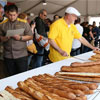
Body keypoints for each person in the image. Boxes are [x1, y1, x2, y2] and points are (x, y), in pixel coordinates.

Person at [0, 4, 33, 76]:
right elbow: (0, 37)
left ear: (17, 14)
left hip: (21, 56)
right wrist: (5, 38)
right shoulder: (2, 24)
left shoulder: (24, 23)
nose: (12, 17)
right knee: (10, 76)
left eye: (14, 15)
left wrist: (20, 38)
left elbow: (30, 36)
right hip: (8, 56)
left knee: (22, 76)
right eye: (10, 15)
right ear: (7, 13)